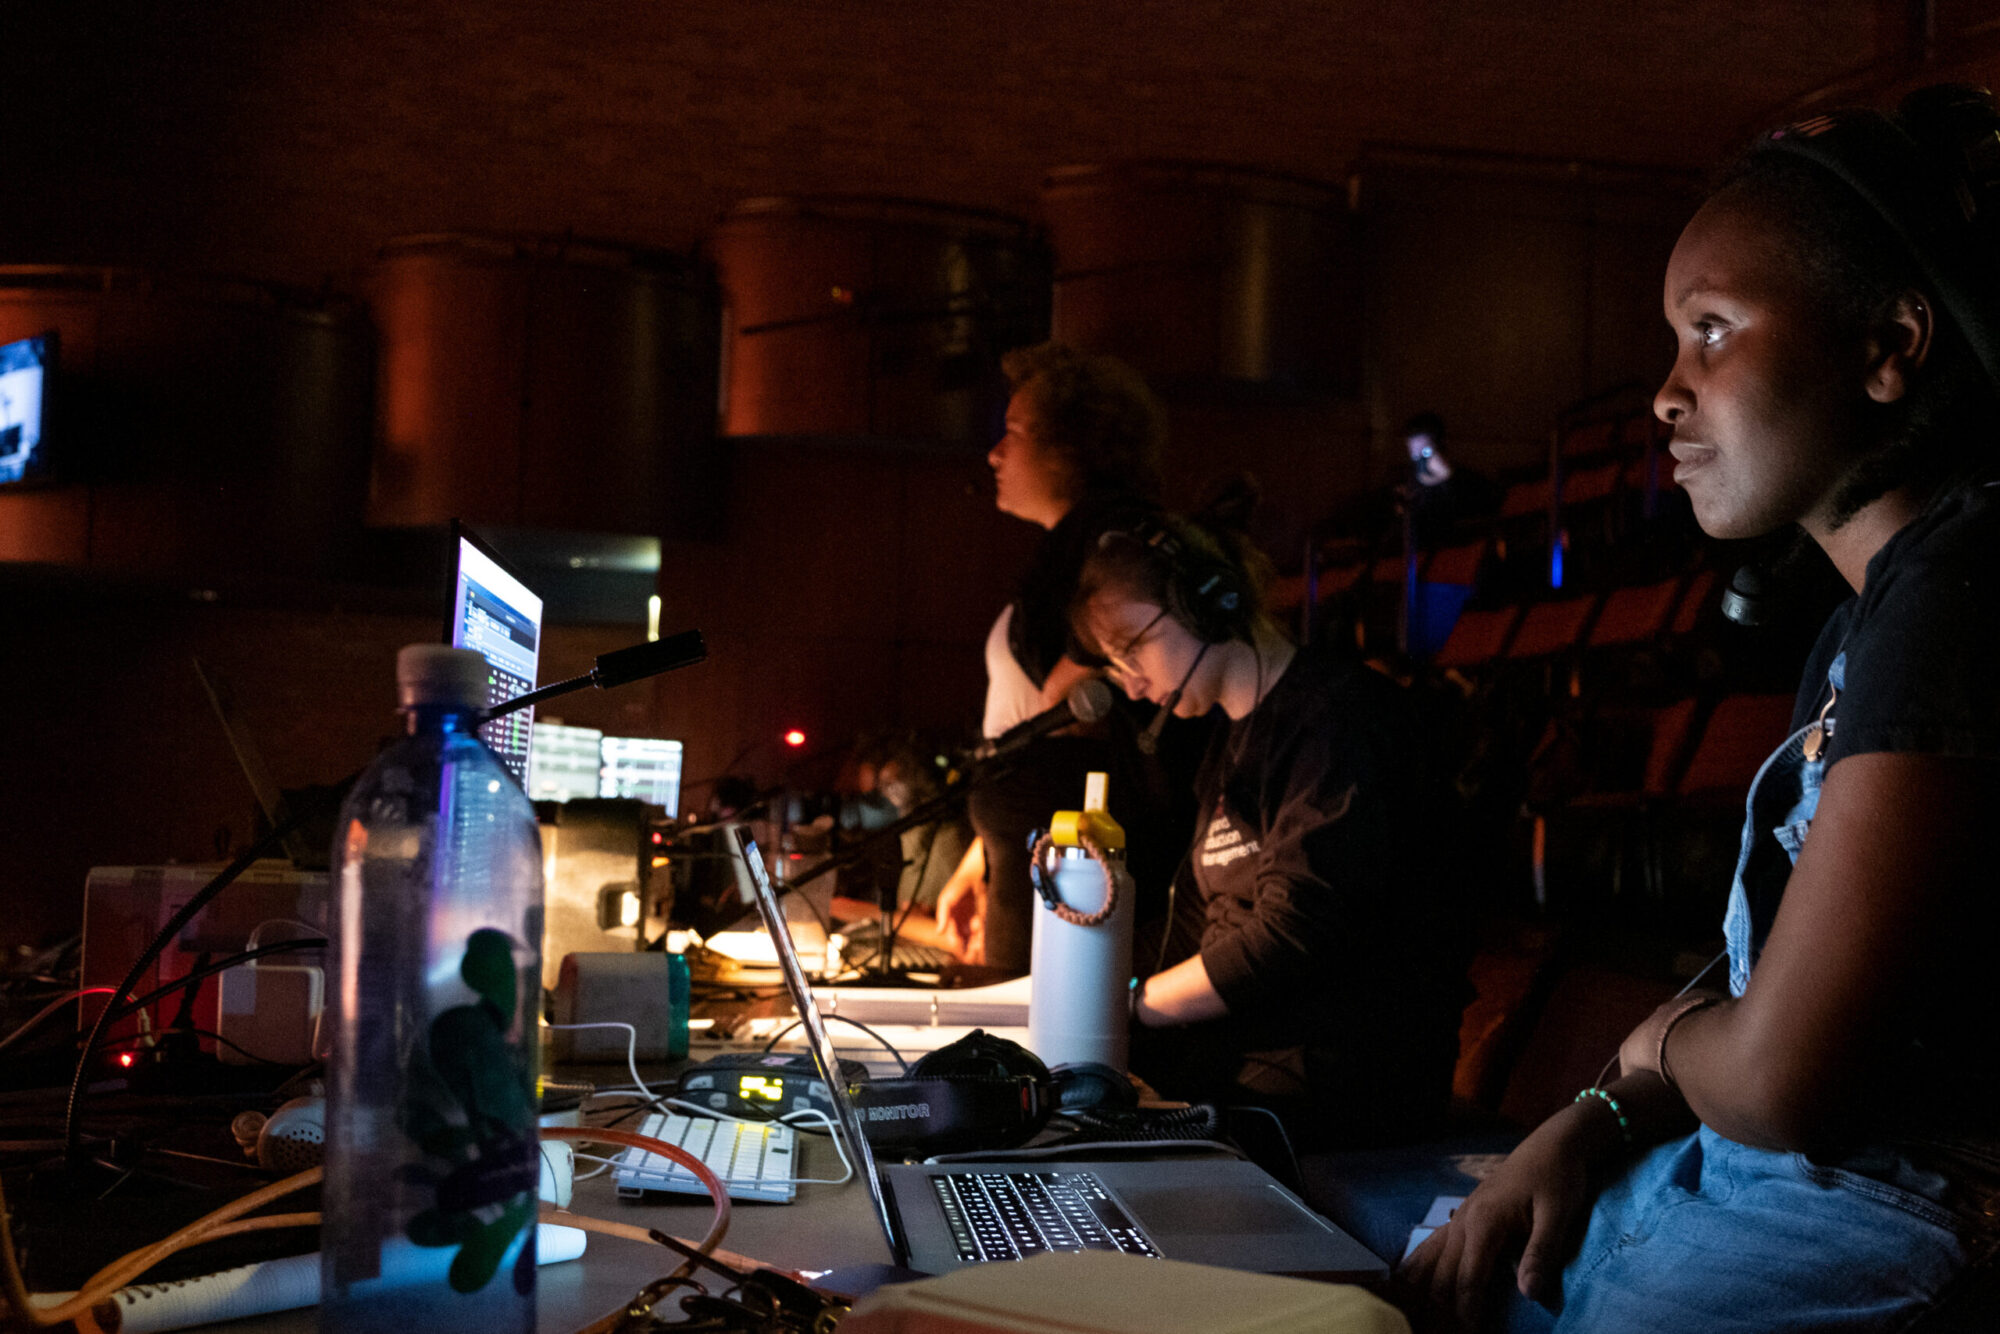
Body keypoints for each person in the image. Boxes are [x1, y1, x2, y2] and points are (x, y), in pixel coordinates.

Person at [1402, 86, 2000, 1332]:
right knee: (1418, 1264)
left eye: (1712, 330)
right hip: (1775, 1174)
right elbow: (1754, 981)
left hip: (1888, 1213)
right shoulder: (1863, 622)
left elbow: (1783, 1073)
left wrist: (1649, 1058)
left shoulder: (1959, 595)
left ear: (1890, 346)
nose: (1666, 395)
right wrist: (1587, 1119)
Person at [1071, 514, 1469, 1148]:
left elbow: (1294, 933)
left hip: (1333, 1085)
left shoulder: (1337, 721)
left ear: (1205, 606)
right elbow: (1202, 918)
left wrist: (1129, 1002)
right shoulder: (1233, 738)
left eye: (1132, 650)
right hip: (1251, 1065)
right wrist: (1079, 976)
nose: (1131, 682)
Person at [934, 342, 1207, 972]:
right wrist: (980, 856)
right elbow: (1022, 733)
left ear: (1074, 448)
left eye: (1014, 432)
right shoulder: (1068, 560)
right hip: (1026, 858)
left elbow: (1076, 718)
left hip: (1069, 879)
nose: (995, 453)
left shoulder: (1116, 559)